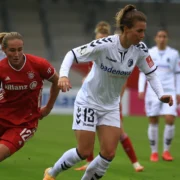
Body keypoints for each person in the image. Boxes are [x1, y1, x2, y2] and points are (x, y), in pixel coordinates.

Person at [43, 4, 173, 180]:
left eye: (144, 31)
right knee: (84, 151)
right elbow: (71, 54)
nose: (143, 35)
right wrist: (64, 76)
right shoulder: (105, 44)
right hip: (88, 101)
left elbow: (150, 73)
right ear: (126, 29)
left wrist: (161, 94)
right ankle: (52, 173)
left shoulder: (140, 49)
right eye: (139, 31)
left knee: (108, 153)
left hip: (110, 106)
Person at [75, 21, 144, 172]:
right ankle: (89, 162)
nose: (99, 41)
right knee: (89, 130)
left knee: (120, 133)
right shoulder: (93, 57)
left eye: (103, 38)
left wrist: (118, 100)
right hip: (94, 101)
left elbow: (122, 80)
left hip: (111, 103)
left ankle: (135, 163)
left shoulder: (115, 53)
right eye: (98, 39)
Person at [0, 32, 60, 162]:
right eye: (12, 50)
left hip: (24, 124)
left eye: (19, 50)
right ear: (4, 50)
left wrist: (48, 108)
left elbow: (57, 81)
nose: (16, 54)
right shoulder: (1, 67)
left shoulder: (38, 64)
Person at [138, 29, 180, 162]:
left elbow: (178, 74)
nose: (162, 38)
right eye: (160, 36)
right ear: (156, 38)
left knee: (170, 119)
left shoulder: (173, 54)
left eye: (164, 36)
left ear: (167, 39)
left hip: (169, 90)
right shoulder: (149, 53)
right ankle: (154, 152)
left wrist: (178, 92)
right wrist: (141, 89)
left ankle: (166, 151)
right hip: (152, 91)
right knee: (153, 120)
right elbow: (142, 72)